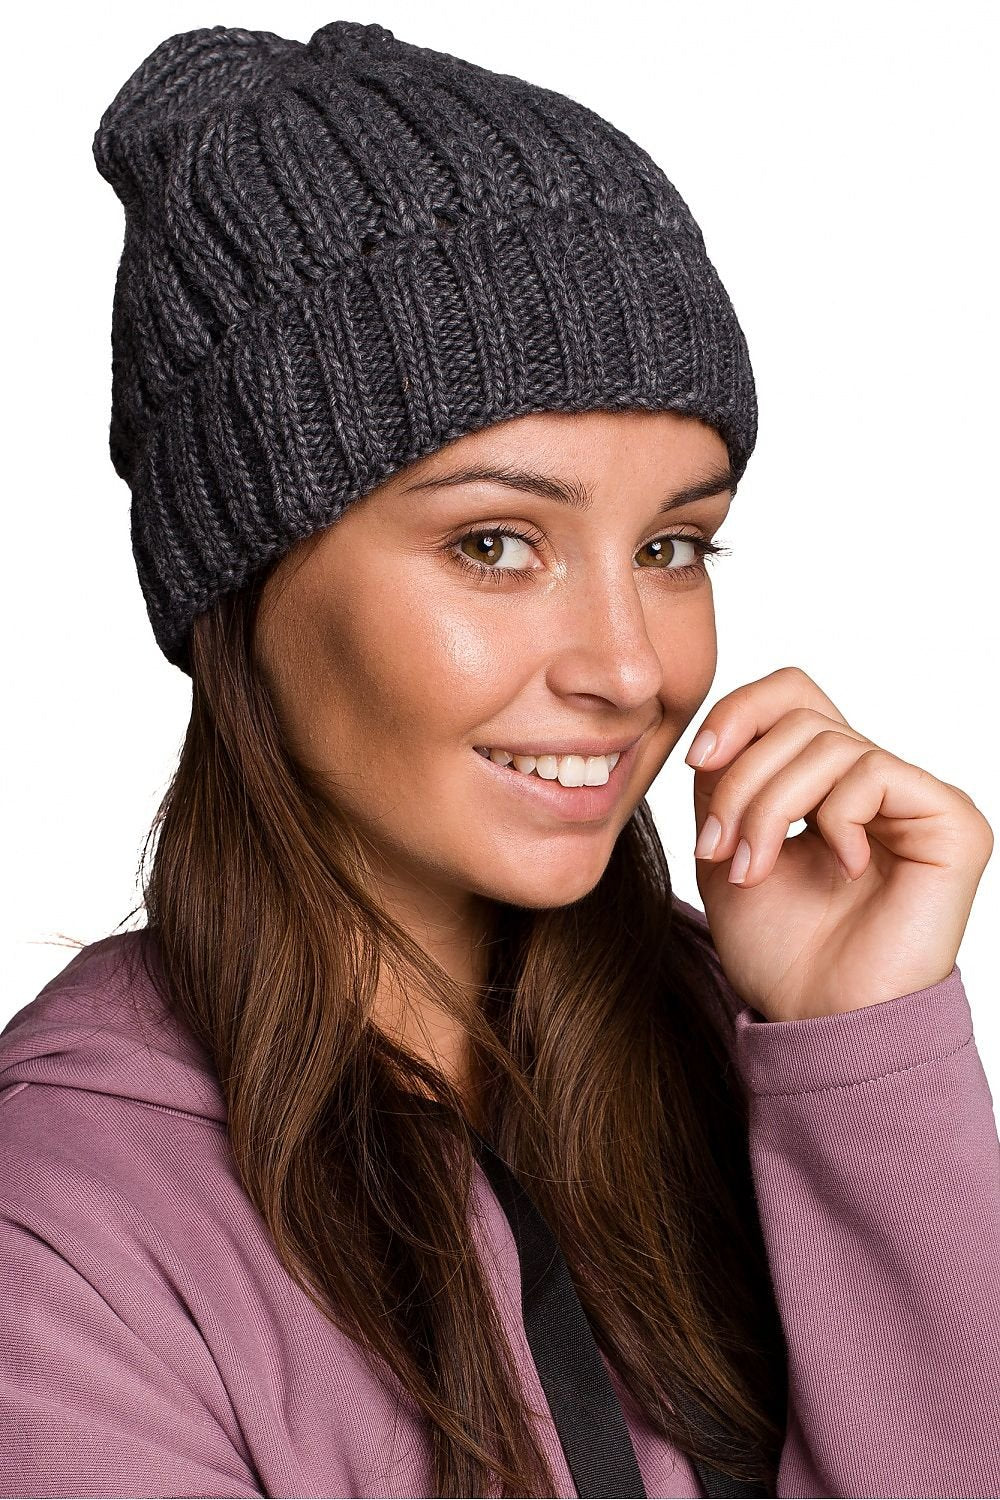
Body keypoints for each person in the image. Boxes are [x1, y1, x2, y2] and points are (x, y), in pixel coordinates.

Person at [1, 18, 997, 1500]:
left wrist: (862, 1058)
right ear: (241, 583)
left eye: (673, 547)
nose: (632, 670)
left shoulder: (751, 1048)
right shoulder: (63, 1238)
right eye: (493, 544)